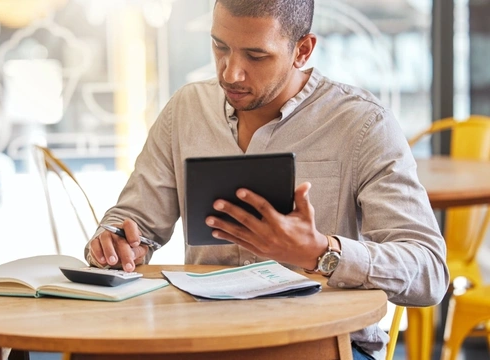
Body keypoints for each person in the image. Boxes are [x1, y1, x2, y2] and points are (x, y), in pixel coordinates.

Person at [85, 1, 449, 359]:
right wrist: (119, 243)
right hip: (204, 339)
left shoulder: (363, 125)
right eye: (220, 47)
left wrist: (321, 252)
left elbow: (429, 272)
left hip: (322, 344)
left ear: (302, 50)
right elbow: (134, 223)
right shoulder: (185, 110)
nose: (231, 73)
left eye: (256, 56)